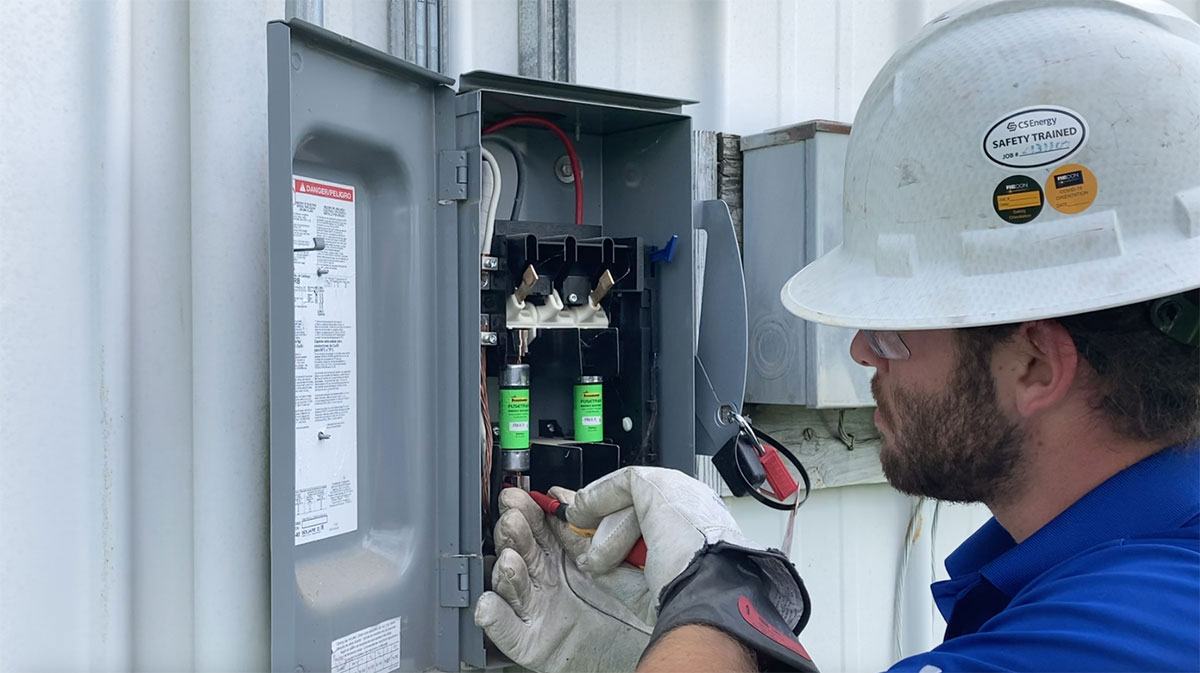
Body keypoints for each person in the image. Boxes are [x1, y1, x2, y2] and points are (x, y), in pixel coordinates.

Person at [474, 0, 1200, 670]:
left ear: (1035, 364)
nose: (859, 351)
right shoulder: (1129, 577)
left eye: (889, 331)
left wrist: (718, 592)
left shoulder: (1101, 639)